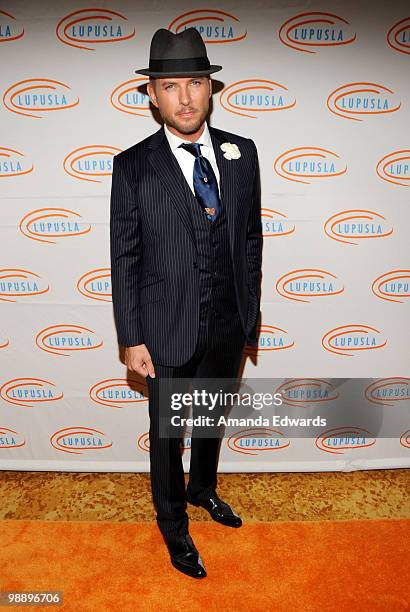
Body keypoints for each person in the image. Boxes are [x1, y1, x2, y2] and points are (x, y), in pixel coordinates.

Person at [110, 27, 262, 579]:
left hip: (227, 323)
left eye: (195, 82)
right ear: (153, 95)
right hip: (165, 327)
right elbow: (124, 256)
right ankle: (173, 524)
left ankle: (202, 490)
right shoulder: (132, 167)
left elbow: (250, 239)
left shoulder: (241, 154)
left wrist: (250, 316)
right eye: (171, 85)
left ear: (210, 87)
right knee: (168, 435)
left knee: (209, 420)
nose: (186, 97)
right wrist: (131, 336)